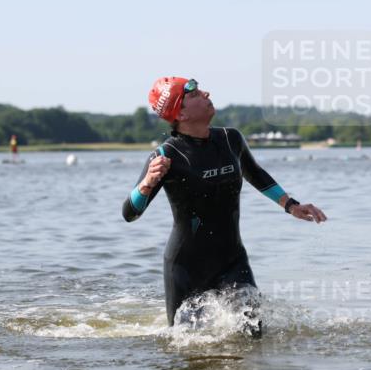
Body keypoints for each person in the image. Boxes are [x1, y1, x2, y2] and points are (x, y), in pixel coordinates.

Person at [122, 76, 327, 334]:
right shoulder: (166, 155)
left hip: (232, 260)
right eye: (195, 95)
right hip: (186, 268)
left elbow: (255, 173)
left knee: (254, 332)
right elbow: (130, 213)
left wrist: (291, 205)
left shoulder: (231, 139)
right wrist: (148, 183)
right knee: (184, 346)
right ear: (180, 113)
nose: (206, 94)